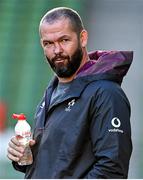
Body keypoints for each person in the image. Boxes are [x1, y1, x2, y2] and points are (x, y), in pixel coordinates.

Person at [7, 7, 133, 178]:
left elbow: (111, 171)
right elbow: (60, 164)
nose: (57, 50)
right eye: (48, 43)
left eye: (64, 40)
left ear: (82, 38)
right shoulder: (51, 92)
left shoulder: (106, 93)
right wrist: (23, 155)